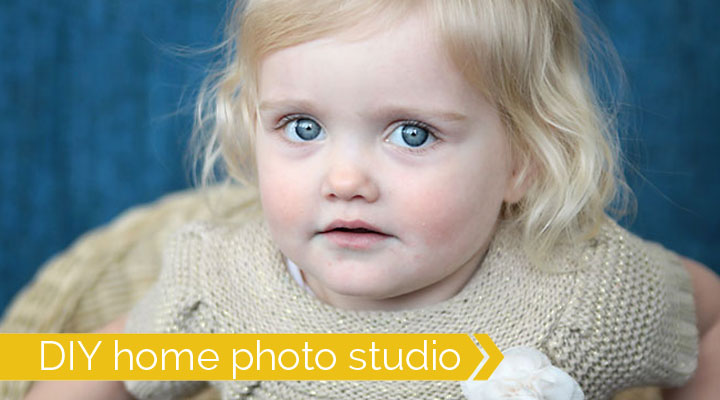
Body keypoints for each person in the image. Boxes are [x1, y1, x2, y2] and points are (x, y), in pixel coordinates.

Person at [25, 0, 720, 399]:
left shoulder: (585, 294)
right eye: (303, 127)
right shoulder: (222, 291)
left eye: (411, 134)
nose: (345, 178)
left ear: (524, 162)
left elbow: (708, 316)